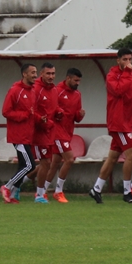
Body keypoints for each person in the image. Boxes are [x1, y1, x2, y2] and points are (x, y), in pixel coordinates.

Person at [89, 48, 132, 204]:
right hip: (118, 123)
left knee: (113, 157)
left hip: (128, 123)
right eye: (125, 60)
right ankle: (127, 192)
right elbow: (118, 90)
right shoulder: (112, 76)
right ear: (118, 61)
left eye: (130, 59)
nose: (128, 62)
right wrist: (128, 74)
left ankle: (96, 189)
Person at [0, 63, 39, 204]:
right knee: (30, 166)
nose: (35, 75)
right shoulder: (15, 91)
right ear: (24, 74)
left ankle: (12, 195)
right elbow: (6, 111)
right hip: (18, 135)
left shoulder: (32, 91)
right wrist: (24, 115)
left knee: (23, 165)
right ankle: (7, 187)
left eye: (36, 72)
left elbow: (33, 114)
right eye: (33, 72)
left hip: (27, 135)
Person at [48, 68, 85, 203]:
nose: (77, 83)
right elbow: (50, 110)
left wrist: (79, 115)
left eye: (79, 81)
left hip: (68, 132)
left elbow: (76, 117)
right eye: (75, 80)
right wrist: (58, 113)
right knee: (69, 159)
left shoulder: (77, 94)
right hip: (57, 131)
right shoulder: (57, 91)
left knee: (54, 163)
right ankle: (58, 191)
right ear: (68, 78)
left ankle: (41, 192)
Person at [28, 62, 60, 203]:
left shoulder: (54, 90)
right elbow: (31, 112)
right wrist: (42, 120)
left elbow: (54, 108)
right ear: (41, 74)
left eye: (53, 73)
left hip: (50, 131)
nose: (51, 76)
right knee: (46, 162)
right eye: (48, 73)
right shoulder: (35, 89)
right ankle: (39, 195)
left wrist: (59, 112)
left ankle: (15, 184)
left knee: (47, 163)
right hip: (39, 132)